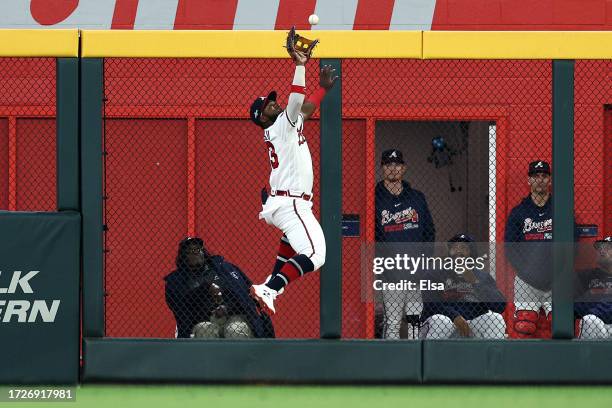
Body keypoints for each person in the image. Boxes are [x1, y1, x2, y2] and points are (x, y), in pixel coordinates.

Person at [248, 29, 339, 314]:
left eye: (273, 101)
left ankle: (270, 285)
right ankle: (271, 287)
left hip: (283, 201)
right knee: (316, 254)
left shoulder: (284, 125)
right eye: (268, 105)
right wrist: (300, 65)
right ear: (262, 118)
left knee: (292, 239)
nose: (274, 103)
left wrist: (323, 89)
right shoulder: (278, 126)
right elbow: (297, 101)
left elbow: (306, 109)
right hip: (292, 202)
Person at [375, 148, 435, 339]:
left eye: (397, 165)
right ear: (382, 168)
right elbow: (373, 236)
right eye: (388, 164)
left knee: (415, 321)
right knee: (392, 322)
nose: (393, 168)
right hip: (390, 272)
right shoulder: (374, 197)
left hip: (415, 271)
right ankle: (390, 366)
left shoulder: (417, 197)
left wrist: (424, 263)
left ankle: (414, 364)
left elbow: (429, 232)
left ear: (404, 168)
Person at [164, 237, 274, 339]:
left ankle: (240, 360)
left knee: (235, 330)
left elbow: (244, 294)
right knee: (205, 331)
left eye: (197, 249)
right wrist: (205, 289)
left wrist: (226, 307)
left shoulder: (223, 268)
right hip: (203, 320)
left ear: (203, 251)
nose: (195, 253)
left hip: (233, 315)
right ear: (183, 256)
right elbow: (181, 307)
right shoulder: (178, 280)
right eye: (189, 251)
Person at [504, 160, 559, 338]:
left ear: (550, 180)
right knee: (524, 324)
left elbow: (571, 244)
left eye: (544, 176)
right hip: (527, 280)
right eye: (536, 176)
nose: (540, 180)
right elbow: (510, 248)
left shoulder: (561, 210)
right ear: (529, 180)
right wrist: (528, 271)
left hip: (556, 278)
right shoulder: (518, 212)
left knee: (563, 323)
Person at [420, 234, 507, 339]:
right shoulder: (435, 273)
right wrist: (454, 316)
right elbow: (431, 304)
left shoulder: (482, 276)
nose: (458, 251)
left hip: (471, 326)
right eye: (454, 247)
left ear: (471, 253)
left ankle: (492, 355)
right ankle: (431, 355)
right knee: (441, 320)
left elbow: (500, 306)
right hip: (443, 324)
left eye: (463, 247)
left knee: (496, 319)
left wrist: (475, 282)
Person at [575, 236, 612, 339]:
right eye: (600, 248)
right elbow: (576, 306)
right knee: (590, 319)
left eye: (608, 248)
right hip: (597, 324)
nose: (602, 251)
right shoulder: (587, 275)